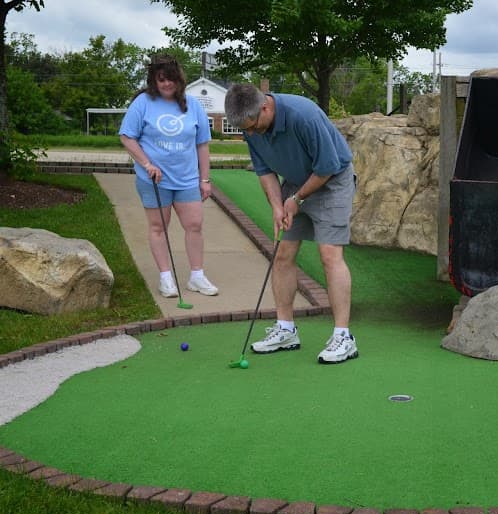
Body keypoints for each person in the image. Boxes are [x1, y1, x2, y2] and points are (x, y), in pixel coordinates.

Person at [224, 83, 358, 364]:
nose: (250, 134)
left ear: (265, 107)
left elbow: (327, 167)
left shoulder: (303, 115)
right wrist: (276, 206)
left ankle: (344, 336)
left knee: (329, 255)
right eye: (245, 130)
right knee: (283, 254)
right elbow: (264, 171)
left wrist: (295, 199)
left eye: (253, 127)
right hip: (295, 183)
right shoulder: (251, 126)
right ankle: (286, 329)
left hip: (332, 181)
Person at [119, 54, 218, 299]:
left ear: (179, 80)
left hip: (186, 179)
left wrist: (204, 180)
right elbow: (126, 137)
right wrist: (146, 163)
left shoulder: (192, 104)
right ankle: (166, 278)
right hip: (154, 179)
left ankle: (197, 276)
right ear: (154, 80)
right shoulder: (143, 102)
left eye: (171, 79)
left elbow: (202, 145)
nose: (166, 84)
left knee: (194, 225)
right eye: (161, 79)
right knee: (158, 227)